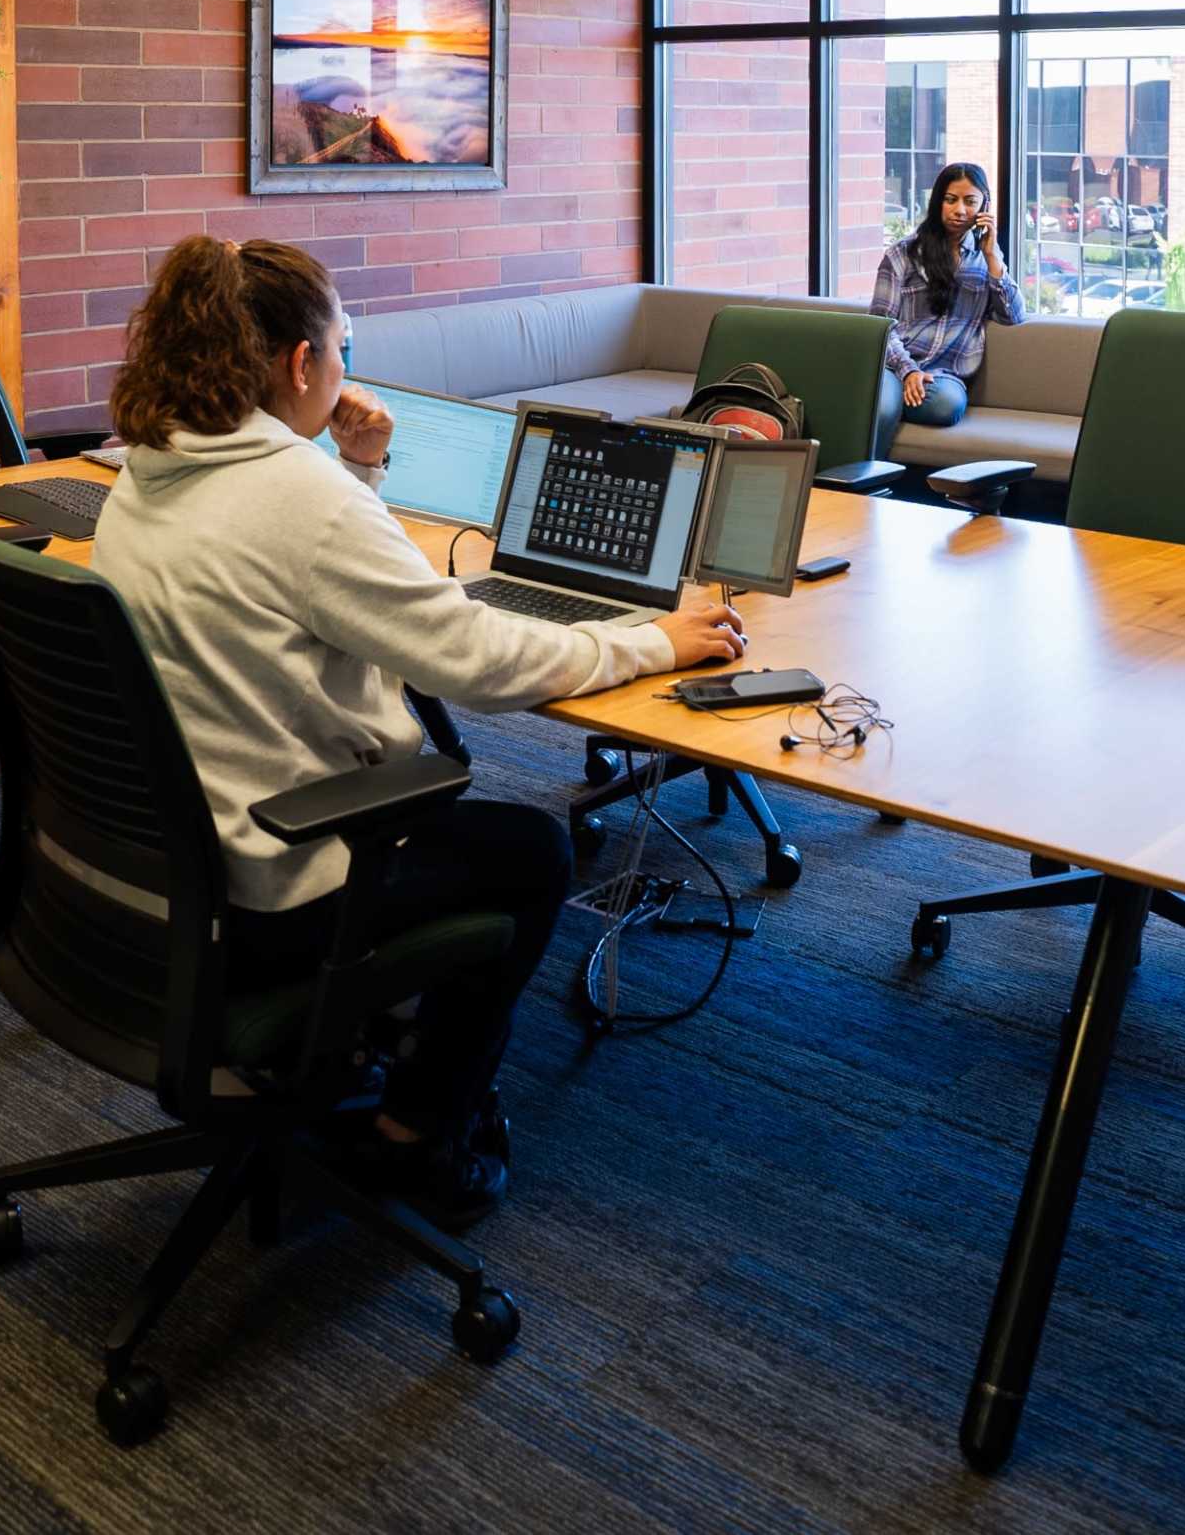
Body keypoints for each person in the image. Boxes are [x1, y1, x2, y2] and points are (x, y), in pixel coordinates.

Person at [90, 234, 745, 1226]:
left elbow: (300, 585)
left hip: (173, 866)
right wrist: (652, 640)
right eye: (341, 348)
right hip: (282, 877)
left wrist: (355, 466)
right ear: (300, 365)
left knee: (455, 791)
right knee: (531, 848)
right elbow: (483, 665)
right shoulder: (292, 496)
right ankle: (414, 1130)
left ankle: (369, 1044)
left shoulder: (151, 469)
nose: (347, 369)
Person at [870, 161, 1022, 429]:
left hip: (943, 379)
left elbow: (1013, 317)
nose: (960, 210)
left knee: (946, 406)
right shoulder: (901, 254)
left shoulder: (985, 261)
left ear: (984, 206)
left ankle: (880, 403)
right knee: (882, 407)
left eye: (970, 201)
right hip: (893, 367)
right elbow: (881, 325)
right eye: (951, 200)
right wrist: (909, 371)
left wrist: (992, 256)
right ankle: (872, 459)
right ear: (938, 201)